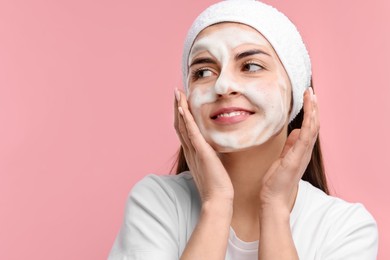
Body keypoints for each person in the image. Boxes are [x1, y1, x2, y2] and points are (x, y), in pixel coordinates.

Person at [108, 0, 378, 259]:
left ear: (296, 93)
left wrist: (274, 209)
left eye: (250, 66)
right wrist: (216, 204)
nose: (223, 85)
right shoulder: (156, 202)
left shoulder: (345, 228)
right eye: (203, 72)